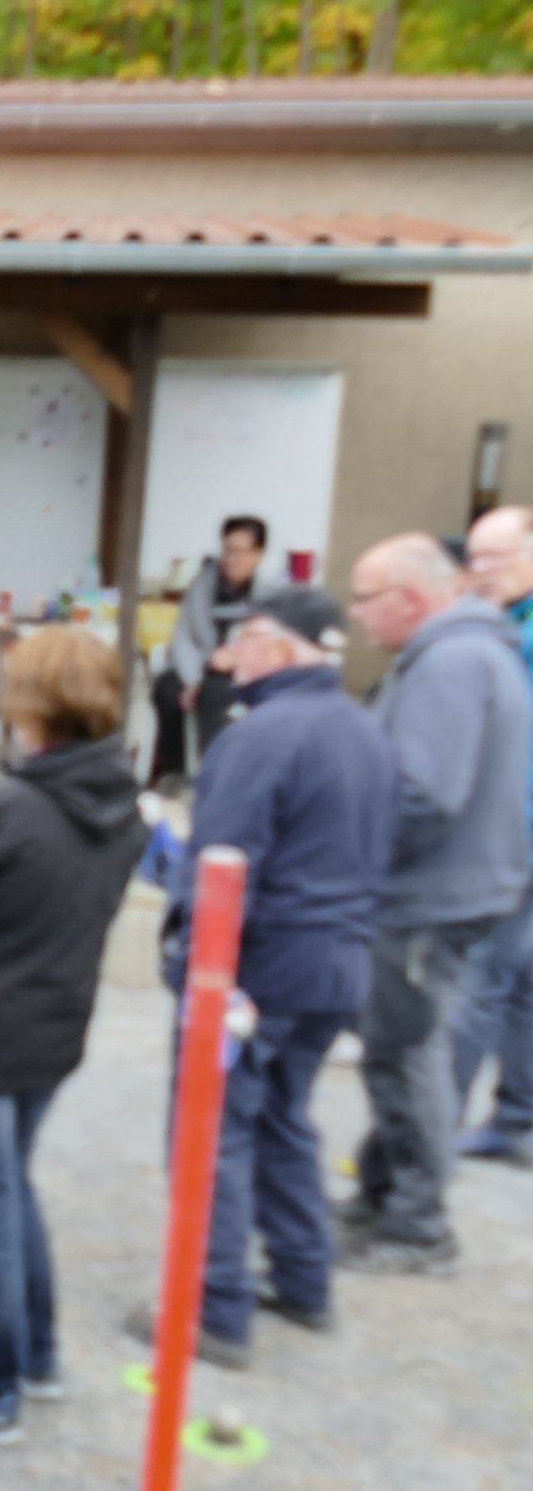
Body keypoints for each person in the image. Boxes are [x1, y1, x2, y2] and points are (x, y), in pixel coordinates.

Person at [132, 589, 392, 1368]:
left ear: (276, 648)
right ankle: (306, 1279)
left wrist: (195, 972)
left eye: (242, 641)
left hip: (260, 960)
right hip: (340, 956)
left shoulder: (261, 736)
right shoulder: (363, 727)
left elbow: (224, 863)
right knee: (283, 1116)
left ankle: (214, 1308)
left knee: (213, 1129)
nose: (229, 657)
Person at [0, 628, 147, 1444]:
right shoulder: (124, 801)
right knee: (15, 1182)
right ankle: (38, 1357)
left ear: (34, 708)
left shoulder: (11, 804)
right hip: (58, 1018)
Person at [342, 533, 531, 1274]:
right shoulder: (472, 651)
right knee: (404, 1044)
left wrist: (352, 860)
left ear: (411, 600)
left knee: (408, 1051)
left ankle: (418, 1226)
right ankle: (386, 1192)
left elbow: (422, 795)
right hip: (456, 885)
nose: (357, 616)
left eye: (364, 599)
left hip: (429, 894)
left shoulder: (450, 663)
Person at [453, 505, 533, 1165]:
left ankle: (424, 1141)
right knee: (523, 978)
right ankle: (517, 1122)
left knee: (477, 978)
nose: (480, 572)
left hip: (518, 832)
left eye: (495, 558)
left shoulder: (514, 634)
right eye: (473, 557)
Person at [151, 516, 279, 788]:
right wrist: (191, 680)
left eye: (241, 551)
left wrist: (238, 657)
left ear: (259, 554)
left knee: (216, 693)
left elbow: (272, 641)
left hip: (242, 672)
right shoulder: (203, 584)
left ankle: (214, 779)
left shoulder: (271, 592)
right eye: (227, 550)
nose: (232, 558)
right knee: (165, 690)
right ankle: (175, 775)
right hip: (199, 666)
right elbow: (184, 636)